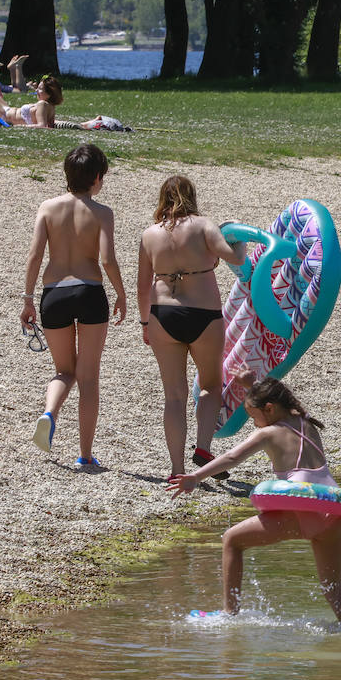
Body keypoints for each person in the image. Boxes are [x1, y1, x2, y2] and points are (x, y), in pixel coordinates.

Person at [167, 375, 341, 623]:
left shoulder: (267, 433)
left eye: (253, 417)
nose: (255, 424)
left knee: (232, 541)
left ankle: (229, 614)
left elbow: (232, 458)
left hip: (302, 510)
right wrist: (251, 386)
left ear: (268, 410)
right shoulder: (306, 422)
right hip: (332, 512)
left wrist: (195, 476)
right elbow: (272, 400)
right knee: (333, 586)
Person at [19, 144, 128, 468]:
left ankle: (49, 413)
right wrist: (121, 293)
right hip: (90, 291)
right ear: (97, 178)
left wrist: (27, 299)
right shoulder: (102, 213)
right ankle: (84, 455)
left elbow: (35, 255)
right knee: (88, 376)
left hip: (53, 294)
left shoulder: (48, 208)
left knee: (64, 371)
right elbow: (107, 259)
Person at [137, 176, 246, 482]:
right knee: (211, 384)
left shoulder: (149, 234)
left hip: (163, 314)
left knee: (174, 396)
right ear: (191, 197)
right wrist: (239, 234)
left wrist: (146, 323)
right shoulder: (203, 225)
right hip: (204, 315)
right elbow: (235, 257)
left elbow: (143, 287)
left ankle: (176, 470)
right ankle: (203, 447)